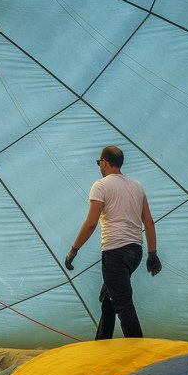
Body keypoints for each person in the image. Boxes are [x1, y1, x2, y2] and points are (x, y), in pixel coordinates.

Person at [65, 145, 161, 339]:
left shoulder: (101, 185)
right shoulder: (137, 186)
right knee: (109, 297)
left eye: (99, 162)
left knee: (123, 305)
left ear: (105, 163)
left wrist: (73, 250)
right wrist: (152, 254)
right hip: (135, 251)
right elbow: (148, 221)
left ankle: (138, 351)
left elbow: (91, 223)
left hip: (115, 251)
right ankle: (102, 342)